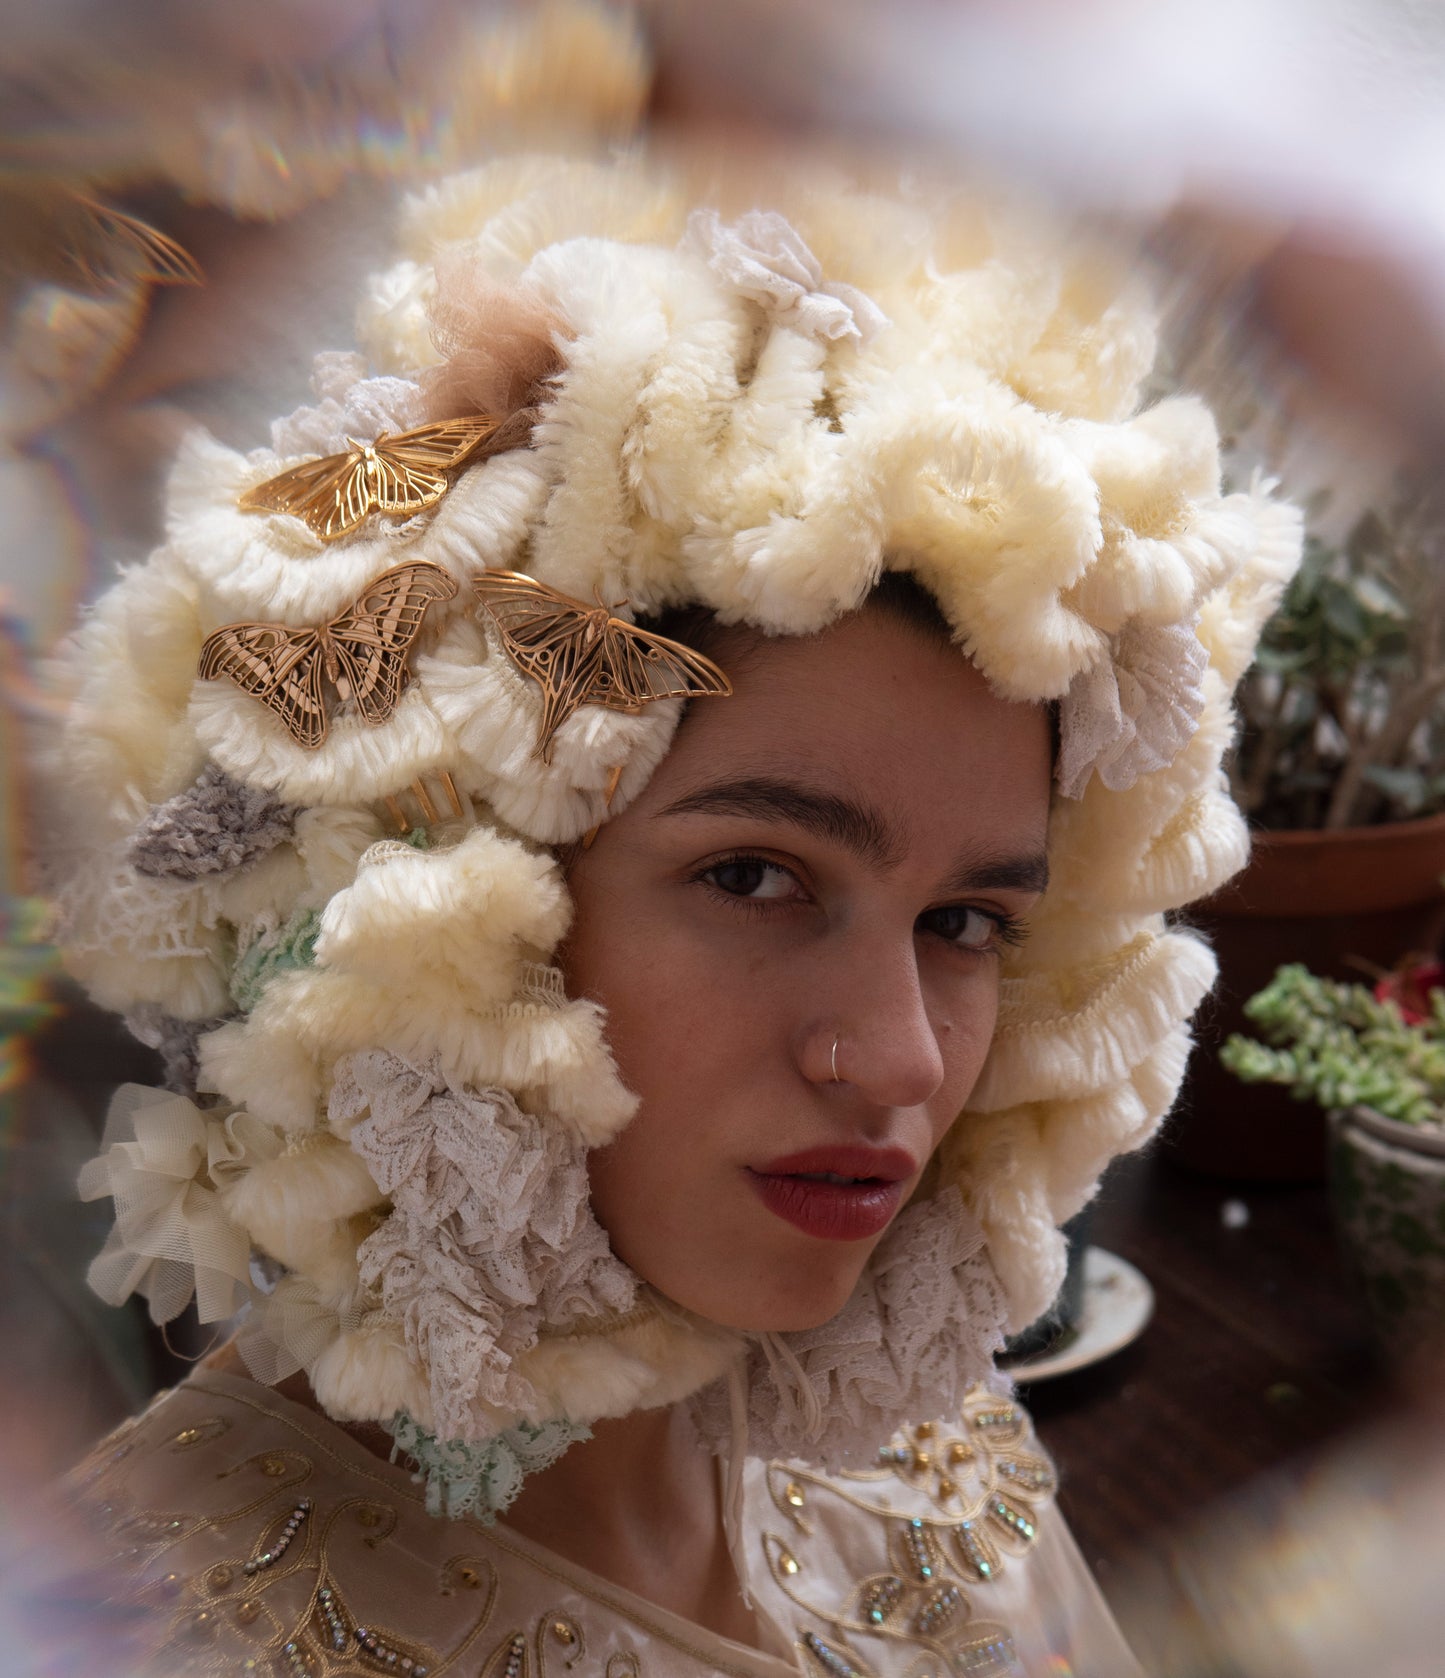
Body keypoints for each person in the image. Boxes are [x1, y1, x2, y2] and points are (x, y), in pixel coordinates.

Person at [46, 147, 1301, 1678]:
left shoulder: (904, 1429)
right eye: (755, 877)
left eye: (965, 920)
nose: (900, 1058)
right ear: (441, 891)